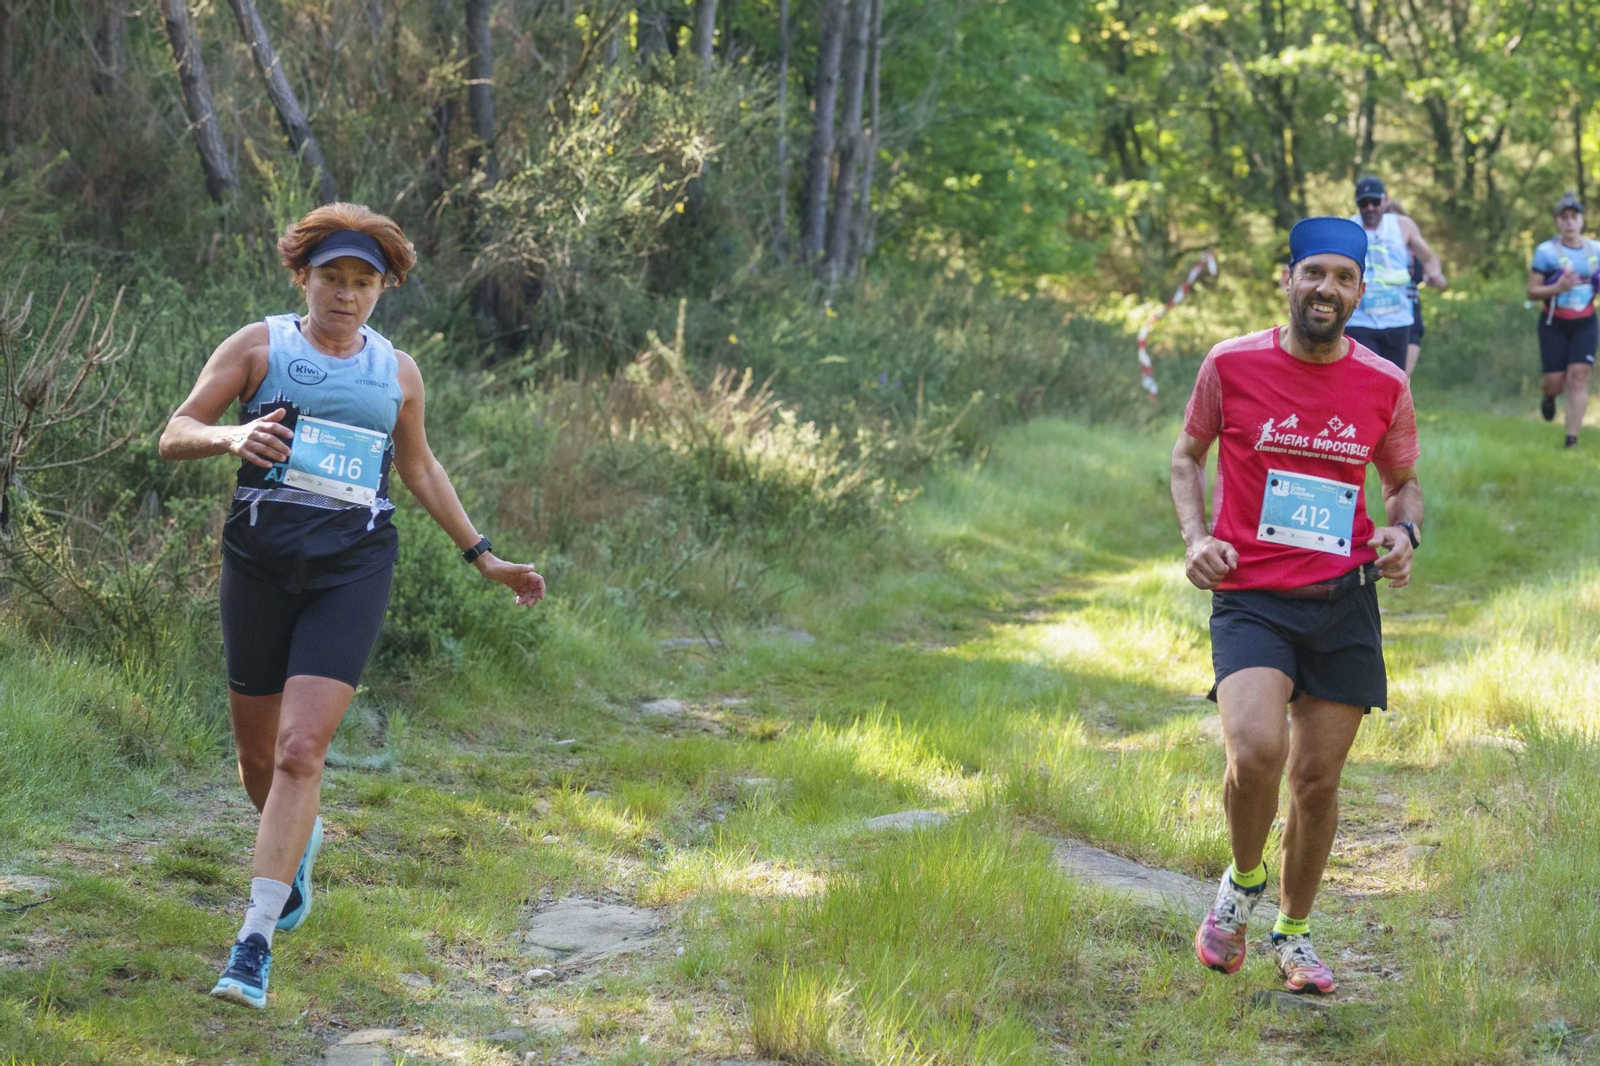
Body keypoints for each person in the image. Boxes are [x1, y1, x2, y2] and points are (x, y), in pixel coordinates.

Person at [158, 203, 547, 1010]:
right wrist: (231, 438)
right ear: (303, 278)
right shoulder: (260, 347)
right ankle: (297, 841)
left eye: (362, 282)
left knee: (302, 752)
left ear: (383, 289)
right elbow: (175, 431)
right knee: (258, 760)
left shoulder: (396, 372)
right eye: (331, 278)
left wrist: (485, 557)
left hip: (353, 566)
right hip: (259, 565)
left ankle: (253, 944)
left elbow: (421, 468)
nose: (345, 294)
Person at [1170, 216, 1423, 995]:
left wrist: (1404, 532)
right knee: (1255, 752)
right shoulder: (1231, 363)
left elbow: (1403, 484)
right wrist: (1195, 539)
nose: (1326, 289)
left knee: (1316, 782)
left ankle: (1295, 932)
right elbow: (1187, 456)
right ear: (1288, 278)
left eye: (1343, 278)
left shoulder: (1385, 383)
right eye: (1314, 272)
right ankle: (1243, 882)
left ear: (1359, 292)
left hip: (1343, 601)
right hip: (1252, 596)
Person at [1344, 176, 1446, 371]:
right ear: (1357, 205)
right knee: (1367, 377)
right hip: (1360, 321)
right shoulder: (1349, 228)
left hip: (1397, 320)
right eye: (1364, 203)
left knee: (1394, 379)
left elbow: (1428, 257)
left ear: (1385, 200)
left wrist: (1434, 273)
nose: (1370, 208)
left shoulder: (1402, 225)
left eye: (1375, 202)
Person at [1528, 192, 1600, 448]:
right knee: (1555, 383)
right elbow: (1532, 291)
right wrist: (1557, 287)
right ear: (1557, 222)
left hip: (1586, 322)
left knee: (1579, 376)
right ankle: (1549, 397)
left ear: (1582, 220)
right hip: (1554, 323)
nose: (1570, 222)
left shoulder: (1596, 250)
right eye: (1564, 217)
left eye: (1574, 217)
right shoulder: (1545, 252)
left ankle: (1571, 440)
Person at [1384, 199, 1425, 377]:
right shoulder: (1376, 251)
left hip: (1411, 310)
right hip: (1384, 313)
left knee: (1402, 376)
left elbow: (1422, 275)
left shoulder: (1415, 250)